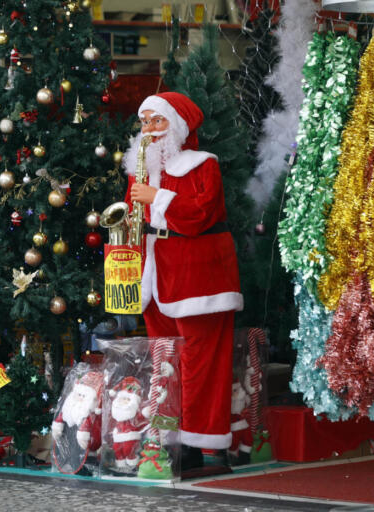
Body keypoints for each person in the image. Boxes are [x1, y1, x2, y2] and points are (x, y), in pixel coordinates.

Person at [122, 91, 243, 475]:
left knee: (201, 363)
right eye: (144, 123)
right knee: (167, 362)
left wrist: (157, 196)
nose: (149, 130)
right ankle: (169, 439)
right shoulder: (139, 170)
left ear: (176, 126)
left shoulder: (202, 164)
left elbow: (200, 214)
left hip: (198, 276)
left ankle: (201, 445)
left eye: (157, 121)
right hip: (157, 274)